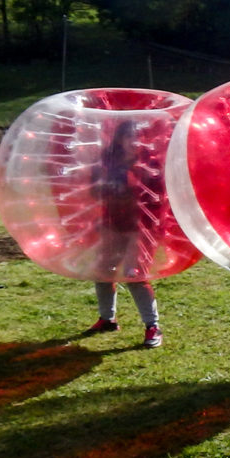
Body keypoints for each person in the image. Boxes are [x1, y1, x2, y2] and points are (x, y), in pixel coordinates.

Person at [86, 121, 162, 348]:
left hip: (139, 228)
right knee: (103, 272)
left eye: (138, 136)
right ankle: (107, 319)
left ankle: (152, 326)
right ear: (120, 139)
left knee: (134, 274)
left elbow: (158, 198)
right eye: (130, 136)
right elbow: (95, 191)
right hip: (113, 224)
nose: (135, 141)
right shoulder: (109, 162)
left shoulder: (150, 164)